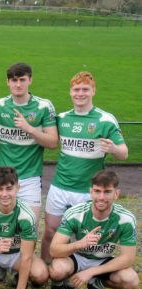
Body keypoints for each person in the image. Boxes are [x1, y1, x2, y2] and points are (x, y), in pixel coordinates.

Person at [41, 72, 128, 264]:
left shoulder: (105, 120)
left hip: (88, 190)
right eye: (76, 89)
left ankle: (78, 271)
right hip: (60, 186)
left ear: (93, 91)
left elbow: (124, 153)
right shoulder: (62, 118)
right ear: (70, 92)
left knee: (84, 237)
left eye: (85, 89)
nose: (80, 93)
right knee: (49, 231)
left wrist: (113, 148)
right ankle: (46, 271)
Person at [49, 170, 138, 289]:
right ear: (91, 192)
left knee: (131, 280)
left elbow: (128, 258)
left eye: (107, 192)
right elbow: (54, 250)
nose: (101, 197)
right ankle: (57, 286)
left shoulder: (126, 218)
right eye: (97, 191)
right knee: (57, 270)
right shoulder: (75, 213)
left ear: (116, 194)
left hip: (103, 259)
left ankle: (96, 284)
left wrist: (91, 272)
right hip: (78, 257)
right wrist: (80, 244)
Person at [0, 62, 58, 222]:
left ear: (30, 80)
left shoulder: (43, 106)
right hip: (3, 178)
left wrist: (30, 129)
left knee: (30, 226)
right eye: (14, 80)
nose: (18, 84)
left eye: (22, 80)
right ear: (7, 82)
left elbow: (52, 142)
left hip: (30, 178)